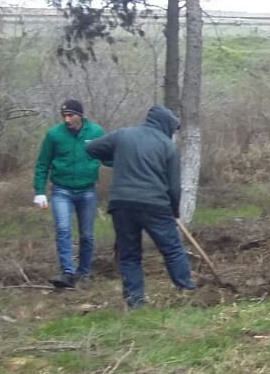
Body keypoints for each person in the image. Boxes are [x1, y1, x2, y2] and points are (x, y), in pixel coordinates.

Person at [85, 105, 195, 309]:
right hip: (155, 205)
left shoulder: (123, 135)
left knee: (129, 254)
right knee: (172, 249)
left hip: (122, 205)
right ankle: (186, 290)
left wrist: (115, 158)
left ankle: (135, 301)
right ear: (165, 125)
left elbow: (90, 148)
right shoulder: (166, 146)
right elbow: (173, 186)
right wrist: (174, 211)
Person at [33, 99, 106, 288]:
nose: (67, 119)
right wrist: (39, 191)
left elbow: (107, 157)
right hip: (61, 190)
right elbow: (43, 163)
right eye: (64, 116)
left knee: (87, 235)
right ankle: (67, 273)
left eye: (71, 115)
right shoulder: (54, 135)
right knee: (63, 229)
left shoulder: (96, 132)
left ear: (80, 116)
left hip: (87, 190)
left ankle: (84, 272)